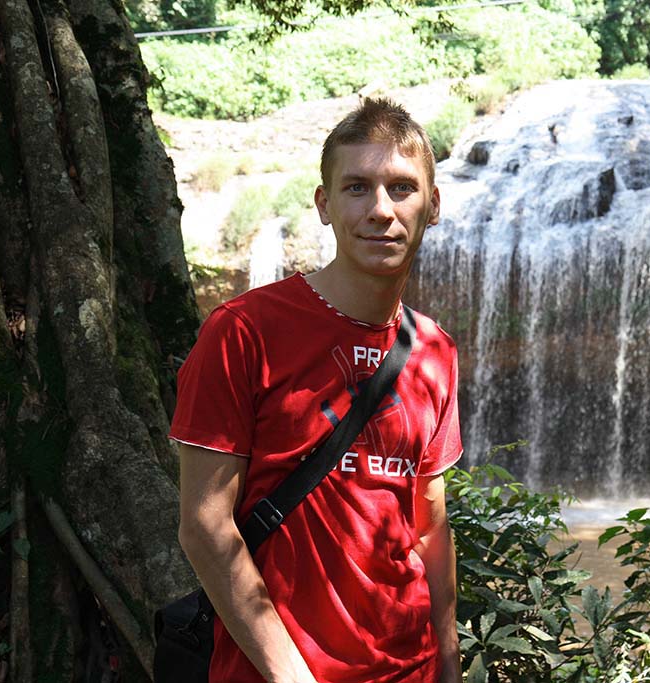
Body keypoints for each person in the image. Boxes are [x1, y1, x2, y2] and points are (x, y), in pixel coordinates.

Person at [170, 98, 462, 683]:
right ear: (324, 205)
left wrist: (450, 665)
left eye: (402, 188)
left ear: (432, 206)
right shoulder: (243, 331)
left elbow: (429, 525)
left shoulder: (436, 350)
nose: (381, 210)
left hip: (410, 669)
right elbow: (204, 526)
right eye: (357, 188)